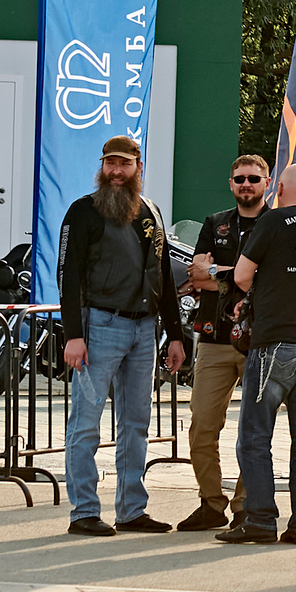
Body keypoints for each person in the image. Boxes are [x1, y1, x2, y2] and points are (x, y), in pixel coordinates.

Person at [57, 135, 189, 537]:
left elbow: (163, 275)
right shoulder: (83, 211)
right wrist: (73, 334)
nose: (116, 171)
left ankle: (132, 509)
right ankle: (83, 511)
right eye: (110, 164)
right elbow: (68, 275)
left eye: (124, 164)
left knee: (136, 423)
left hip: (144, 328)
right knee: (86, 423)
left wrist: (176, 335)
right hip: (99, 324)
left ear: (138, 167)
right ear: (102, 166)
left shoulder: (151, 211)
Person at [219, 164, 296, 547]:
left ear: (280, 188)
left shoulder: (272, 221)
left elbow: (241, 276)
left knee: (255, 436)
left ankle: (260, 518)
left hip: (276, 341)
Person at [175, 154, 270, 531]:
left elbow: (268, 278)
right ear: (231, 183)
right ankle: (211, 503)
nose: (246, 184)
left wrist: (217, 271)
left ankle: (245, 505)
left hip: (259, 338)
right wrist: (240, 275)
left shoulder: (277, 223)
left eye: (253, 178)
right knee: (201, 424)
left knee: (255, 428)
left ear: (267, 183)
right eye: (240, 178)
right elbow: (196, 277)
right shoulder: (215, 223)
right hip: (214, 337)